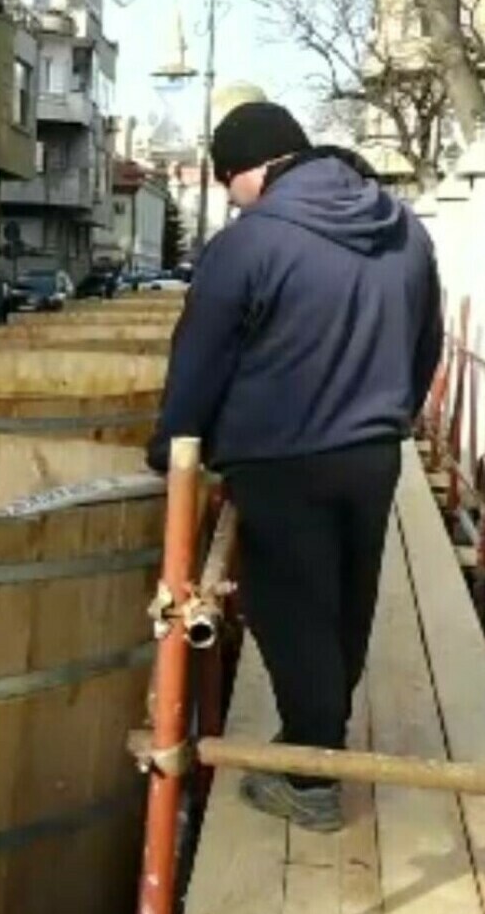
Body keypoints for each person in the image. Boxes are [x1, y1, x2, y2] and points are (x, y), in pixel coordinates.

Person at [145, 101, 442, 833]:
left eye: (228, 184)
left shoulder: (250, 243)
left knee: (291, 616)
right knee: (344, 606)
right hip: (373, 454)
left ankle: (311, 783)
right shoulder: (405, 229)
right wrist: (391, 415)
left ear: (249, 170)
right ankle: (313, 743)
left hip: (279, 457)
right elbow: (427, 342)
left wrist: (172, 446)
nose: (232, 200)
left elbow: (201, 359)